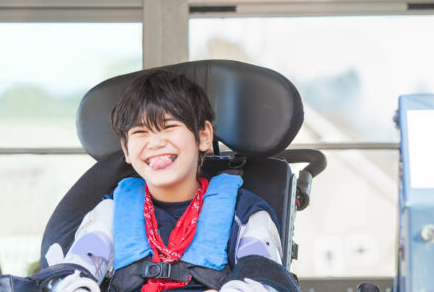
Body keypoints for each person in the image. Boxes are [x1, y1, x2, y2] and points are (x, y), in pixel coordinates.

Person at [32, 70, 299, 292]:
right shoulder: (112, 213)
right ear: (125, 150)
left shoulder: (246, 215)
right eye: (140, 132)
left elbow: (265, 281)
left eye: (169, 126)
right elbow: (76, 269)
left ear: (203, 136)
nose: (155, 142)